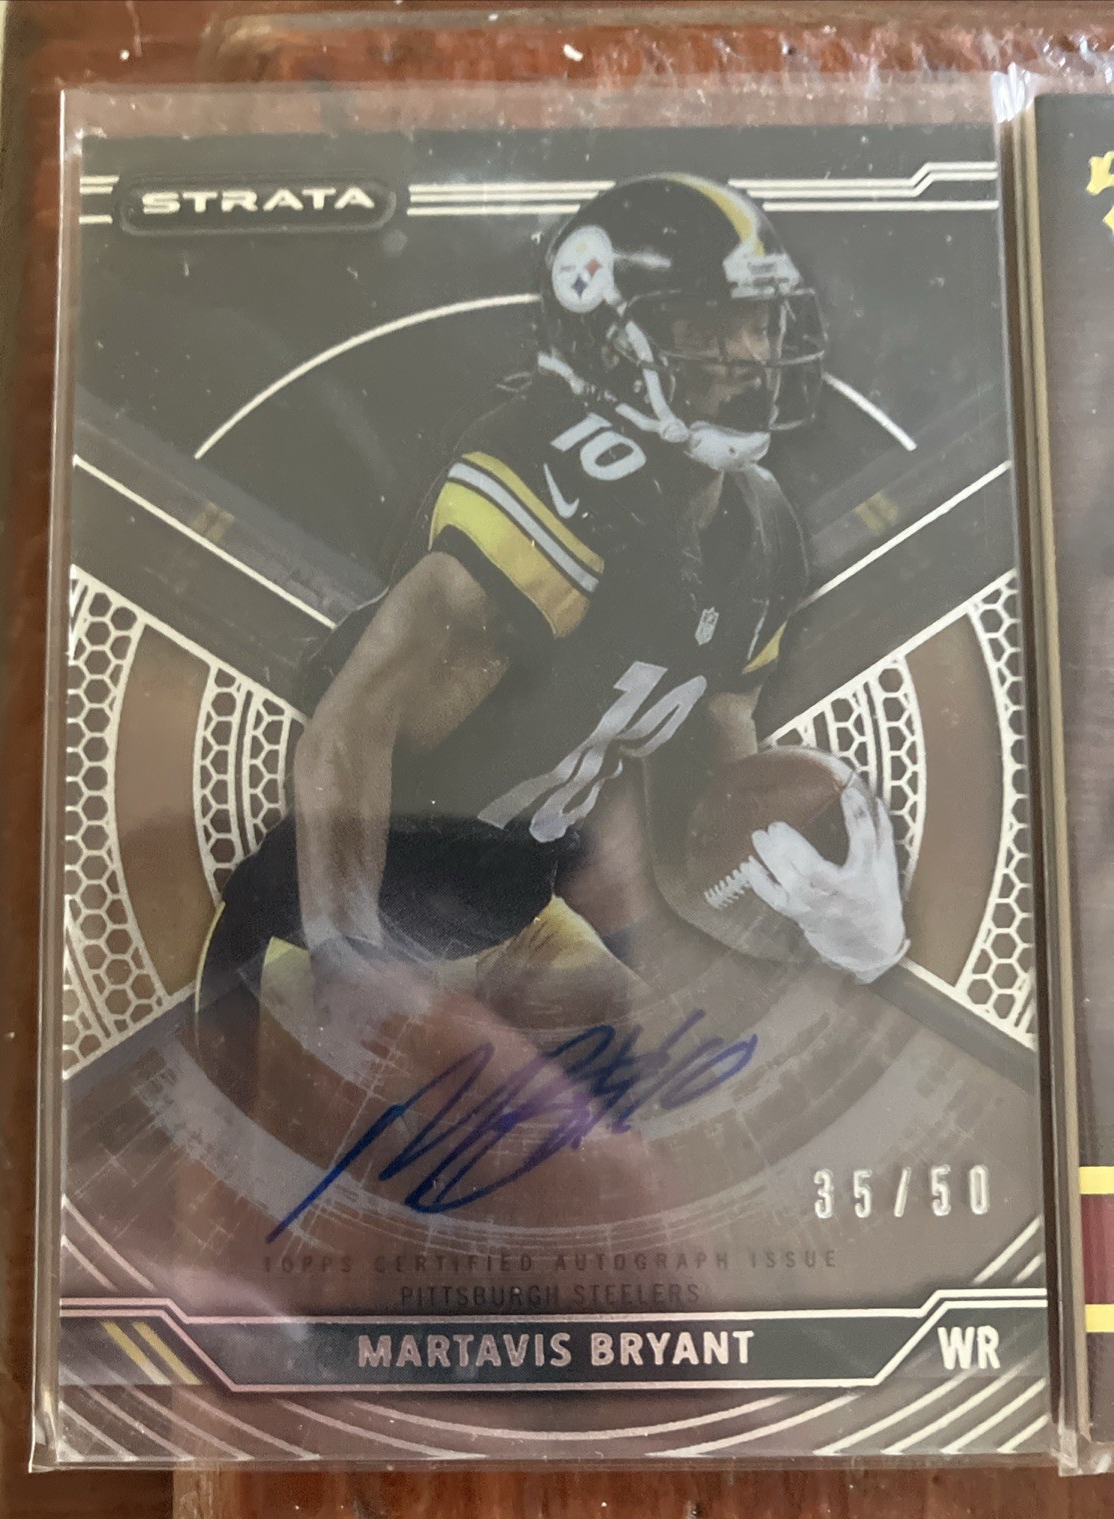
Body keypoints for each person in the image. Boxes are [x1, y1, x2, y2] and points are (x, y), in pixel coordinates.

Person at [200, 175, 907, 1040]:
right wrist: (347, 956)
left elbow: (693, 848)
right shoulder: (555, 491)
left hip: (506, 915)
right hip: (338, 917)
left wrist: (839, 931)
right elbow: (351, 728)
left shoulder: (762, 538)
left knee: (663, 1088)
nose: (747, 357)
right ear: (607, 341)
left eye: (758, 323)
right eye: (706, 326)